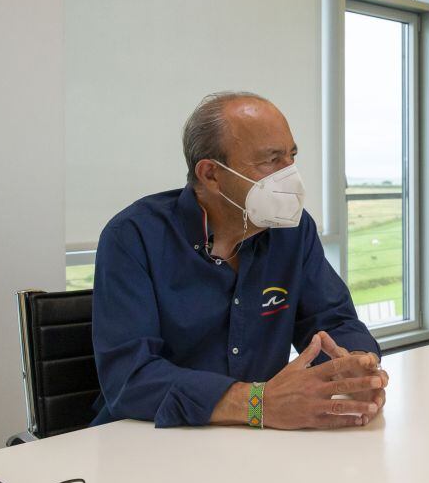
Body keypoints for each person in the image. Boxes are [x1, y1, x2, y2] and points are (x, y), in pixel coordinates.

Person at [90, 91, 386, 429]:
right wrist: (257, 403)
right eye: (271, 160)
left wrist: (356, 371)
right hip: (147, 441)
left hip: (257, 441)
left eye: (291, 156)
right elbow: (130, 377)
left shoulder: (293, 230)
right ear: (211, 174)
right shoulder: (133, 236)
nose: (291, 177)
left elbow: (333, 321)